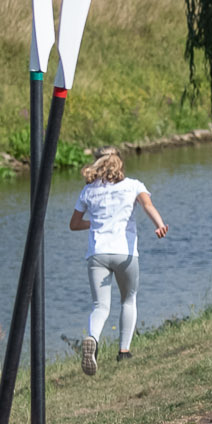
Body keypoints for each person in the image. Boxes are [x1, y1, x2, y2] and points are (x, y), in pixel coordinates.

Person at [68, 150, 168, 374]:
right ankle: (124, 351)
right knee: (128, 299)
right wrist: (159, 224)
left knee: (100, 306)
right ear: (120, 166)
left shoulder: (88, 191)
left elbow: (74, 224)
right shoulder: (134, 185)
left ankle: (92, 339)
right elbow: (147, 206)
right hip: (125, 253)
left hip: (97, 254)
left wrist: (96, 224)